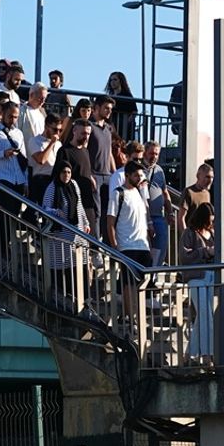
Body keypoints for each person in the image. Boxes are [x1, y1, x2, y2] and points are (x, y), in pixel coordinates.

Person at [41, 158, 90, 302]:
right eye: (63, 172)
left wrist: (86, 222)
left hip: (77, 232)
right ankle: (66, 298)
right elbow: (45, 208)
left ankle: (84, 299)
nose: (66, 175)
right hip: (61, 235)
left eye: (69, 172)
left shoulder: (74, 185)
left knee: (80, 265)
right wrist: (57, 212)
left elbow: (79, 205)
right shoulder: (53, 187)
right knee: (63, 267)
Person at [107, 162, 151, 320]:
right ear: (127, 176)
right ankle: (129, 316)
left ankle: (138, 315)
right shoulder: (118, 193)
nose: (139, 178)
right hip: (126, 245)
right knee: (128, 282)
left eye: (141, 175)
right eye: (136, 175)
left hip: (142, 245)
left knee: (143, 282)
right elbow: (110, 222)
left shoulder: (139, 193)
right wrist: (114, 246)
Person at [179, 202, 217, 364]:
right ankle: (207, 354)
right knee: (205, 314)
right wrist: (205, 251)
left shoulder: (212, 233)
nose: (211, 223)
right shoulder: (189, 233)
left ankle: (189, 354)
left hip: (210, 276)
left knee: (204, 316)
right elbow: (184, 256)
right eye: (209, 220)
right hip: (196, 277)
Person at [58, 119, 98, 230]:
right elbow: (59, 178)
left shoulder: (86, 151)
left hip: (87, 201)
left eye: (88, 134)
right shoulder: (64, 151)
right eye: (83, 133)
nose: (86, 137)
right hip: (72, 202)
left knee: (92, 236)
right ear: (74, 131)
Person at [143, 141, 172, 265]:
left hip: (158, 216)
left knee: (161, 247)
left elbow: (165, 192)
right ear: (145, 152)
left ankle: (154, 271)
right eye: (151, 153)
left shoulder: (159, 170)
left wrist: (170, 212)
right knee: (145, 249)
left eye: (156, 154)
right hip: (142, 217)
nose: (154, 156)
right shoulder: (138, 169)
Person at [89, 96, 117, 219]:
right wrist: (89, 174)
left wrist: (115, 173)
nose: (109, 111)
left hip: (107, 175)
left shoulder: (108, 128)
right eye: (106, 108)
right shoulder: (89, 126)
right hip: (94, 175)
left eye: (110, 109)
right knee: (97, 213)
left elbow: (109, 152)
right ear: (97, 107)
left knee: (108, 212)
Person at [26, 113, 63, 203]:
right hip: (41, 179)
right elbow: (41, 160)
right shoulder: (35, 141)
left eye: (60, 130)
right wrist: (51, 143)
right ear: (46, 127)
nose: (57, 133)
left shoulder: (59, 144)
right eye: (55, 129)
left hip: (55, 179)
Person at [179, 162, 214, 233]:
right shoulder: (189, 192)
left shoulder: (207, 194)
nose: (210, 180)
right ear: (198, 176)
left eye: (212, 177)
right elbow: (181, 218)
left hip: (204, 233)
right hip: (192, 233)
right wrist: (185, 235)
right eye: (207, 177)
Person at [105, 71, 137, 141]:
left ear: (121, 81)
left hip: (124, 128)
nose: (112, 82)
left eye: (115, 79)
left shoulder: (127, 95)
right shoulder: (109, 97)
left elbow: (134, 111)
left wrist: (127, 122)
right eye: (111, 80)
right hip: (112, 126)